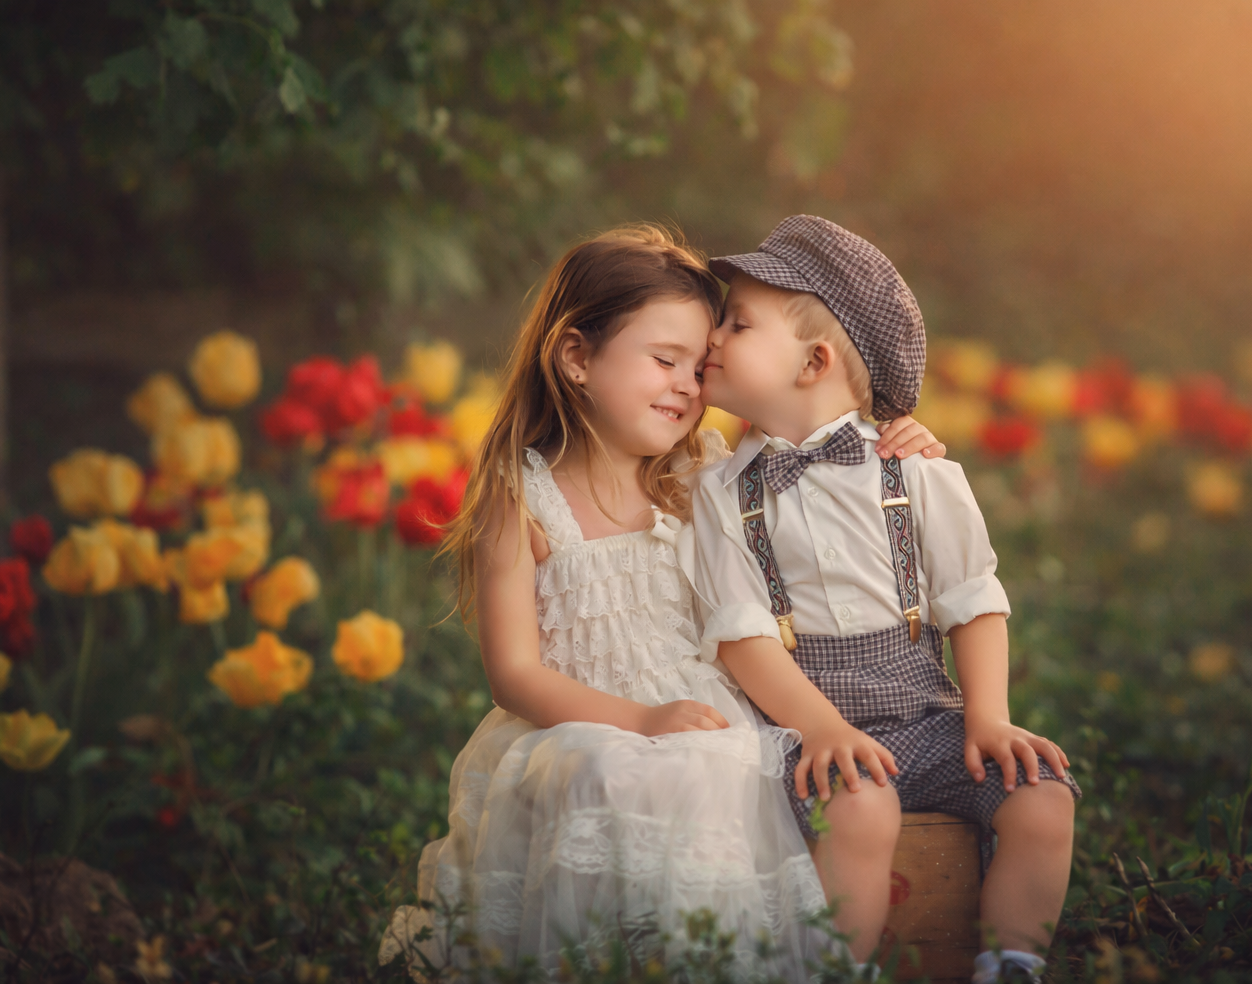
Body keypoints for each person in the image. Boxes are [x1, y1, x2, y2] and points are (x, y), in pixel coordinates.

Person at [379, 224, 945, 977]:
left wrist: (896, 447)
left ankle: (812, 970)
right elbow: (514, 674)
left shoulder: (708, 473)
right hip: (589, 723)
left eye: (699, 362)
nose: (689, 383)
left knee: (824, 794)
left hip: (720, 720)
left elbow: (819, 441)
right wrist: (642, 721)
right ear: (576, 356)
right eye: (663, 359)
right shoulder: (525, 501)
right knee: (617, 771)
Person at [689, 215, 1082, 984]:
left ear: (814, 362)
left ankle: (1009, 963)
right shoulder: (722, 492)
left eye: (736, 322)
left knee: (1040, 797)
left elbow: (973, 603)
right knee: (859, 807)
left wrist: (987, 717)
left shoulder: (921, 474)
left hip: (928, 718)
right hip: (807, 723)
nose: (712, 334)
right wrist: (825, 728)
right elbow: (743, 636)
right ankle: (842, 967)